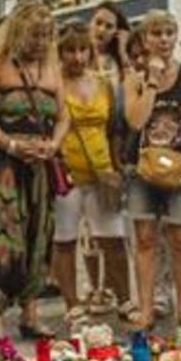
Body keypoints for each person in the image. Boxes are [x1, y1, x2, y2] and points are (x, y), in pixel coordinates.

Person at [0, 0, 70, 338]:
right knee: (1, 234)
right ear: (17, 32)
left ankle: (30, 312)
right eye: (34, 35)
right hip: (2, 164)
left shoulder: (52, 67)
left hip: (40, 165)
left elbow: (63, 117)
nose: (40, 42)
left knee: (38, 235)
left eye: (46, 35)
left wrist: (54, 144)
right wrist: (11, 145)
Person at [124, 10, 181, 328]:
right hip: (143, 171)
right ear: (145, 39)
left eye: (169, 32)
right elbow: (135, 121)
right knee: (146, 239)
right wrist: (151, 80)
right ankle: (147, 308)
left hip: (180, 169)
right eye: (156, 33)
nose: (164, 39)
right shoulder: (134, 80)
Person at [52, 20, 132, 326]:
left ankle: (125, 299)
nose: (77, 57)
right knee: (65, 240)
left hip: (102, 171)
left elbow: (114, 129)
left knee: (113, 238)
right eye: (70, 50)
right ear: (60, 52)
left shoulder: (103, 83)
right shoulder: (53, 83)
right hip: (67, 172)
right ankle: (72, 304)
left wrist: (115, 167)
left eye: (82, 49)